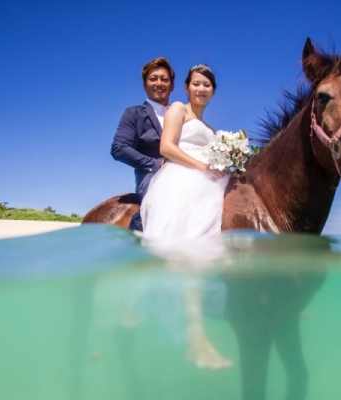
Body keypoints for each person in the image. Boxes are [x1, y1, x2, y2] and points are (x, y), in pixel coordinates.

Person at [140, 64, 233, 369]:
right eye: (196, 84)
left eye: (207, 85)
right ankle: (195, 339)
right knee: (190, 251)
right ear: (187, 88)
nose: (201, 89)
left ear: (213, 91)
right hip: (184, 181)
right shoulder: (178, 109)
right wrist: (203, 166)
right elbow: (166, 147)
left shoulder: (213, 130)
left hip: (212, 181)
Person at [111, 57, 176, 231]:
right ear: (145, 85)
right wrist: (155, 164)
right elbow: (119, 148)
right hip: (151, 175)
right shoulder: (133, 114)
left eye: (164, 79)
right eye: (153, 79)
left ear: (172, 86)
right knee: (158, 203)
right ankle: (136, 245)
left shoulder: (181, 114)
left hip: (184, 172)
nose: (159, 83)